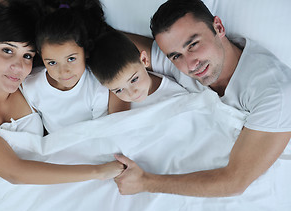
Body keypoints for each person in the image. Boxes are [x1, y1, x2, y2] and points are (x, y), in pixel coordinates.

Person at [0, 1, 124, 185]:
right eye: (7, 50)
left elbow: (106, 66)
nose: (18, 66)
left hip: (52, 183)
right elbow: (14, 172)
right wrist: (99, 171)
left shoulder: (32, 83)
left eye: (27, 56)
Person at [114, 0, 291, 197]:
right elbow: (113, 45)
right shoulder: (184, 62)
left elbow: (234, 182)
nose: (190, 65)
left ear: (218, 27)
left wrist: (145, 182)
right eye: (175, 56)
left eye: (193, 45)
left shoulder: (274, 91)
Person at [19, 0, 130, 134]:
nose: (64, 71)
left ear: (86, 51)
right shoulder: (31, 85)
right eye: (52, 63)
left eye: (71, 59)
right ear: (41, 57)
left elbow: (102, 130)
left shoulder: (96, 84)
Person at [88, 29, 188, 108]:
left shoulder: (175, 92)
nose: (132, 93)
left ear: (144, 60)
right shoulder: (121, 109)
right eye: (119, 90)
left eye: (134, 80)